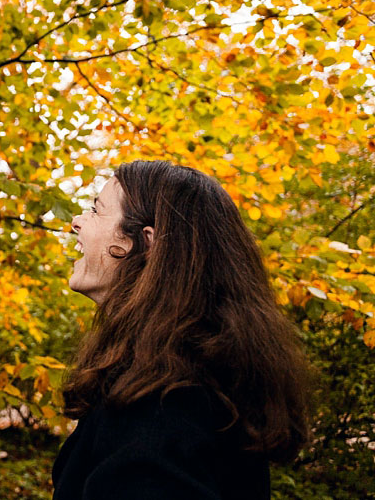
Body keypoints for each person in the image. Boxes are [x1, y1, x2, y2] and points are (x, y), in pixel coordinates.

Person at [52, 160, 312, 499]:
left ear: (145, 244)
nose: (76, 222)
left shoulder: (163, 409)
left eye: (96, 210)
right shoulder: (185, 382)